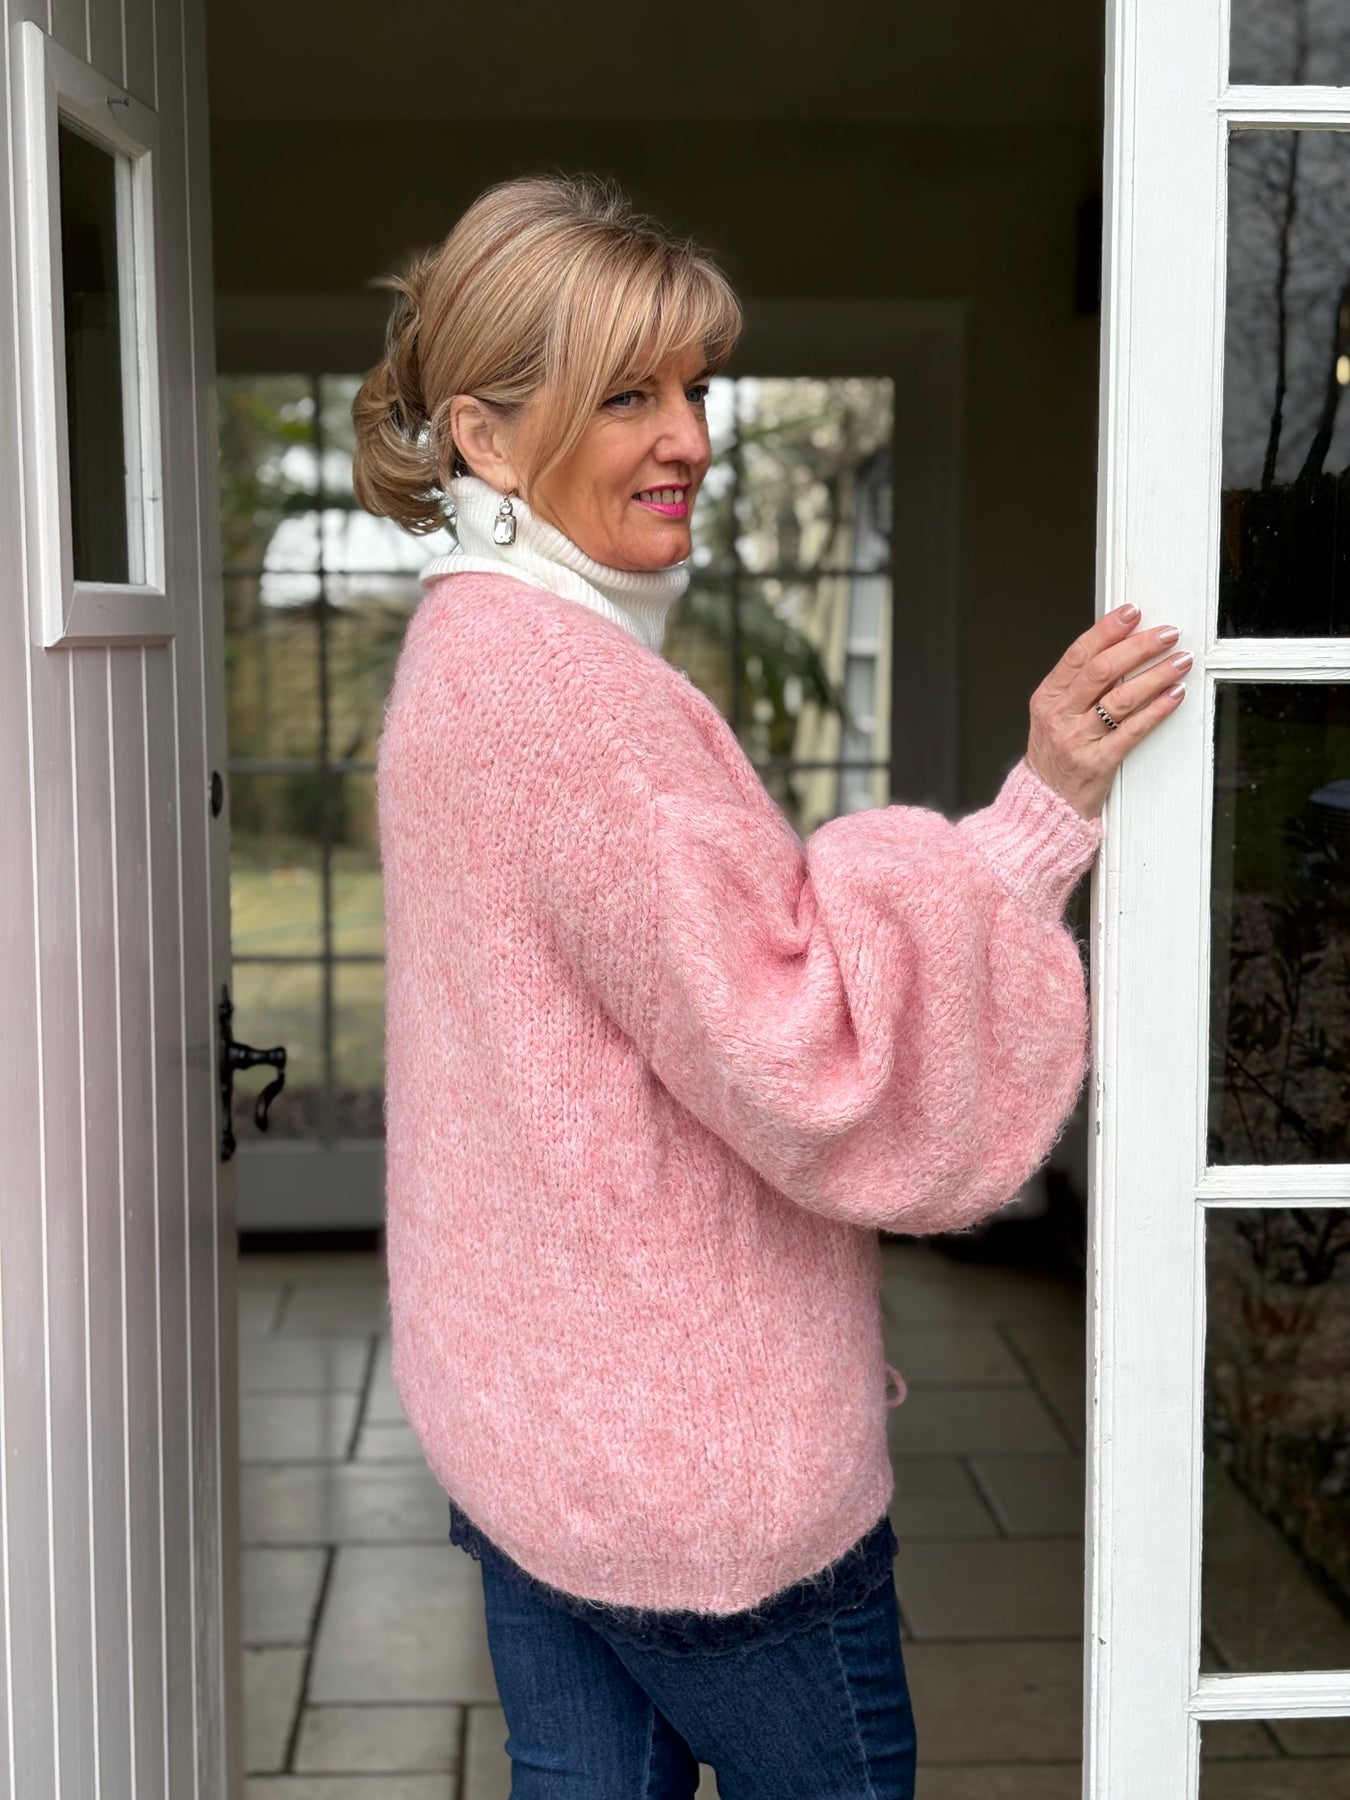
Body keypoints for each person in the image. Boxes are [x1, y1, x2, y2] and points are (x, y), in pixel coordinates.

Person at [353, 173, 1189, 1800]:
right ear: (485, 438)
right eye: (627, 394)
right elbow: (814, 1062)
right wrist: (1032, 823)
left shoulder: (461, 652)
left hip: (531, 1431)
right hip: (688, 1473)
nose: (689, 438)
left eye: (696, 387)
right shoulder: (574, 704)